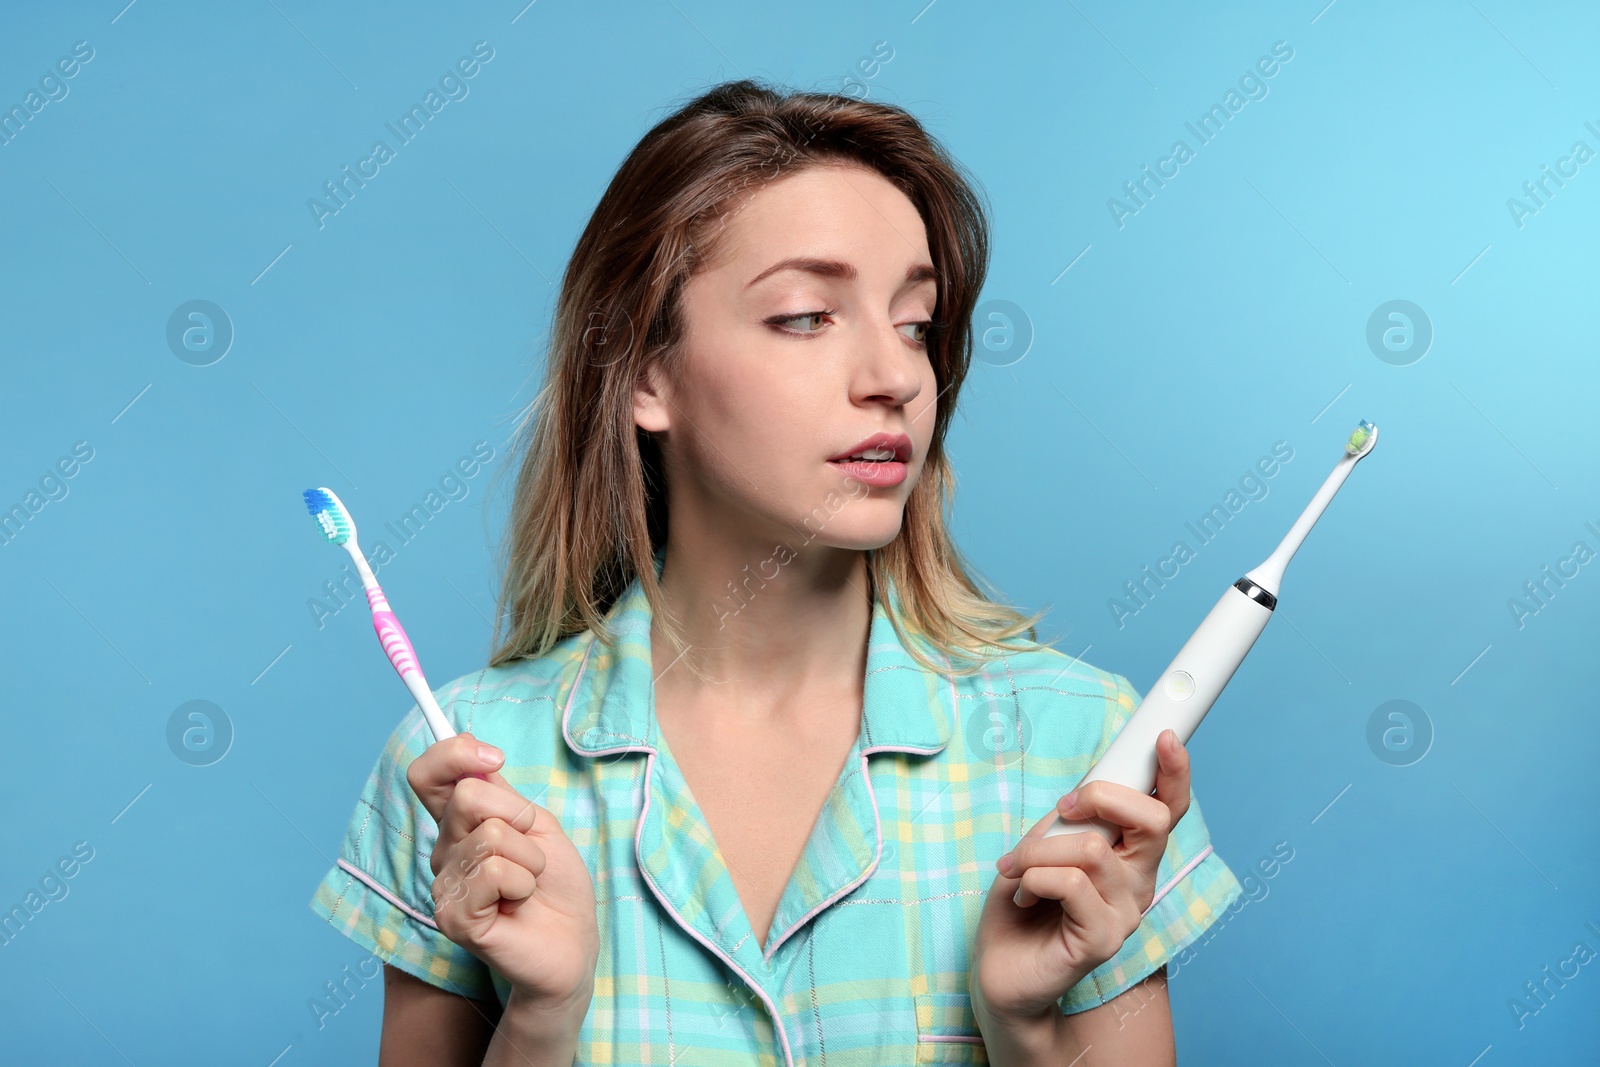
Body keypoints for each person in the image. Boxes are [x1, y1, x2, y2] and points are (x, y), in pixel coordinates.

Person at [309, 78, 1243, 1066]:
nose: (893, 375)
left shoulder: (1083, 753)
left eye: (916, 323)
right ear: (642, 373)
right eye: (806, 316)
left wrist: (1022, 1030)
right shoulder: (467, 769)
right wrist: (539, 1021)